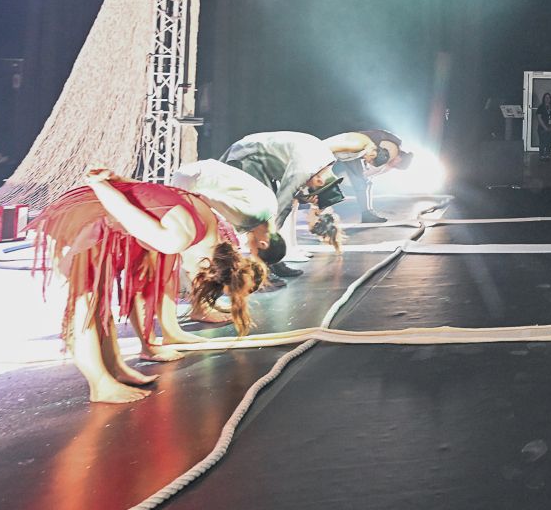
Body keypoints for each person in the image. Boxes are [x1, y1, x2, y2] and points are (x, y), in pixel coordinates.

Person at [32, 167, 265, 404]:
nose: (190, 279)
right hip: (90, 215)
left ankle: (115, 367)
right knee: (87, 302)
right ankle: (100, 384)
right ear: (207, 269)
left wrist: (120, 180)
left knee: (99, 298)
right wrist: (99, 183)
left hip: (105, 211)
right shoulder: (176, 240)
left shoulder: (207, 227)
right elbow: (123, 209)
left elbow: (156, 193)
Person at [219, 130, 349, 271]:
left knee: (269, 213)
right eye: (311, 189)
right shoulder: (305, 169)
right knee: (264, 210)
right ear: (319, 181)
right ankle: (263, 266)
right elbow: (283, 202)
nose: (306, 188)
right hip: (248, 156)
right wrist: (271, 234)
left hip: (261, 160)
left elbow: (294, 188)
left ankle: (272, 262)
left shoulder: (323, 162)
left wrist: (302, 198)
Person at [533, 92, 551, 160]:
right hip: (542, 127)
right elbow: (539, 118)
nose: (547, 99)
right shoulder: (541, 107)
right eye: (546, 97)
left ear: (550, 99)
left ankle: (548, 154)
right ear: (543, 99)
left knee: (549, 142)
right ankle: (541, 155)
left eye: (548, 97)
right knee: (542, 141)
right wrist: (545, 127)